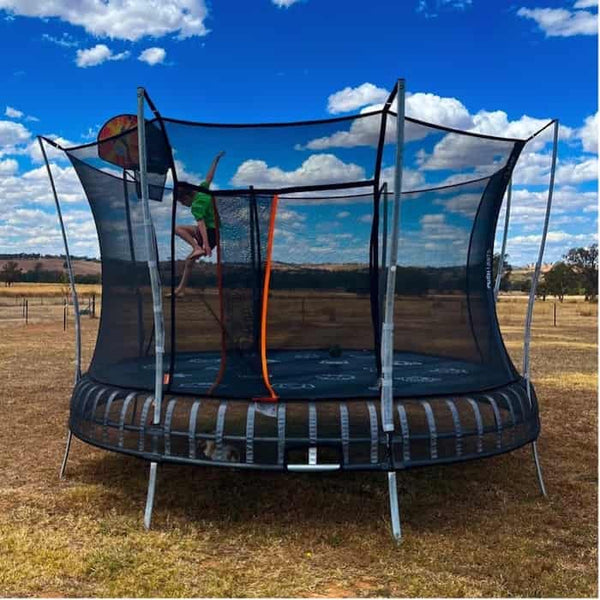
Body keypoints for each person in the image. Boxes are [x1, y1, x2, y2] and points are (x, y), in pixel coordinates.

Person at [172, 151, 225, 297]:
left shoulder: (196, 206)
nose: (183, 204)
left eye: (183, 201)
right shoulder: (203, 190)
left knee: (177, 229)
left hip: (208, 233)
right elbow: (209, 177)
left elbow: (201, 225)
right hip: (215, 232)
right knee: (189, 262)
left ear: (188, 196)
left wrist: (205, 246)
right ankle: (180, 290)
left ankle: (196, 247)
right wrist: (216, 160)